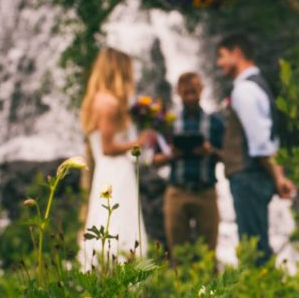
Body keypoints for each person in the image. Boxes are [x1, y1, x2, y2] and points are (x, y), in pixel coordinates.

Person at [216, 33, 296, 264]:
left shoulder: (245, 90)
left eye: (222, 56)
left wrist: (278, 177)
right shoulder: (259, 85)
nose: (219, 63)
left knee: (253, 246)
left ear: (237, 53)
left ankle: (261, 294)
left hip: (249, 176)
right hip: (254, 175)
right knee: (257, 240)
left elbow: (261, 143)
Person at [78, 47, 156, 267]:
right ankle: (120, 270)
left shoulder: (97, 99)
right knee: (118, 219)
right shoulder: (108, 104)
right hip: (115, 170)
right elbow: (108, 147)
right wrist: (138, 142)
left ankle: (105, 268)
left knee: (109, 218)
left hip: (107, 171)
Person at [153, 72, 224, 256]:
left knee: (208, 255)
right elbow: (154, 160)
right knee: (177, 254)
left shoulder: (215, 123)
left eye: (194, 91)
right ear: (178, 92)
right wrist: (171, 155)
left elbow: (229, 156)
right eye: (186, 93)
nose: (190, 97)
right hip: (177, 192)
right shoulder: (168, 123)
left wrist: (211, 152)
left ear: (202, 90)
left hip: (206, 192)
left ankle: (210, 285)